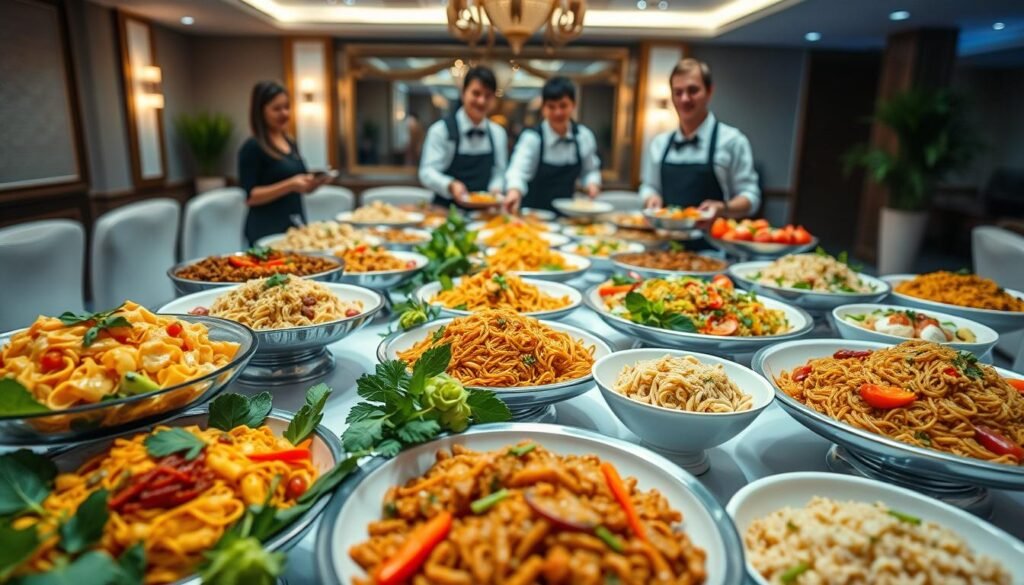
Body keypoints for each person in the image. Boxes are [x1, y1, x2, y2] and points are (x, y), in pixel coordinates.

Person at [640, 58, 760, 226]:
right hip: (665, 239)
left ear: (709, 91)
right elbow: (649, 186)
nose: (685, 99)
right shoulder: (659, 144)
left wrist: (723, 208)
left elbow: (751, 196)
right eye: (678, 92)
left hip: (714, 240)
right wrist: (651, 198)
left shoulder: (733, 141)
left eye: (693, 90)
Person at [238, 81, 330, 245]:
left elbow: (298, 184)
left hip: (294, 227)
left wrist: (313, 183)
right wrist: (290, 185)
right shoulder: (252, 147)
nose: (284, 113)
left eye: (287, 107)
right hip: (265, 231)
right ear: (260, 111)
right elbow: (251, 196)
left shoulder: (290, 142)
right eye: (277, 109)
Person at [504, 76, 602, 213]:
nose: (558, 112)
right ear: (543, 108)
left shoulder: (583, 136)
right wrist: (514, 191)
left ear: (573, 105)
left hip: (569, 216)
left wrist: (592, 184)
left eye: (563, 105)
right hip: (534, 216)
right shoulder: (532, 138)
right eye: (551, 106)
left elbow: (590, 170)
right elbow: (518, 171)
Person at [418, 66, 508, 208]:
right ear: (463, 93)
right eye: (476, 93)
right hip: (445, 212)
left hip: (484, 213)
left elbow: (499, 172)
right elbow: (426, 172)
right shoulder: (440, 130)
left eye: (488, 95)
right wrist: (450, 185)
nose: (481, 101)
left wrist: (495, 189)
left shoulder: (498, 133)